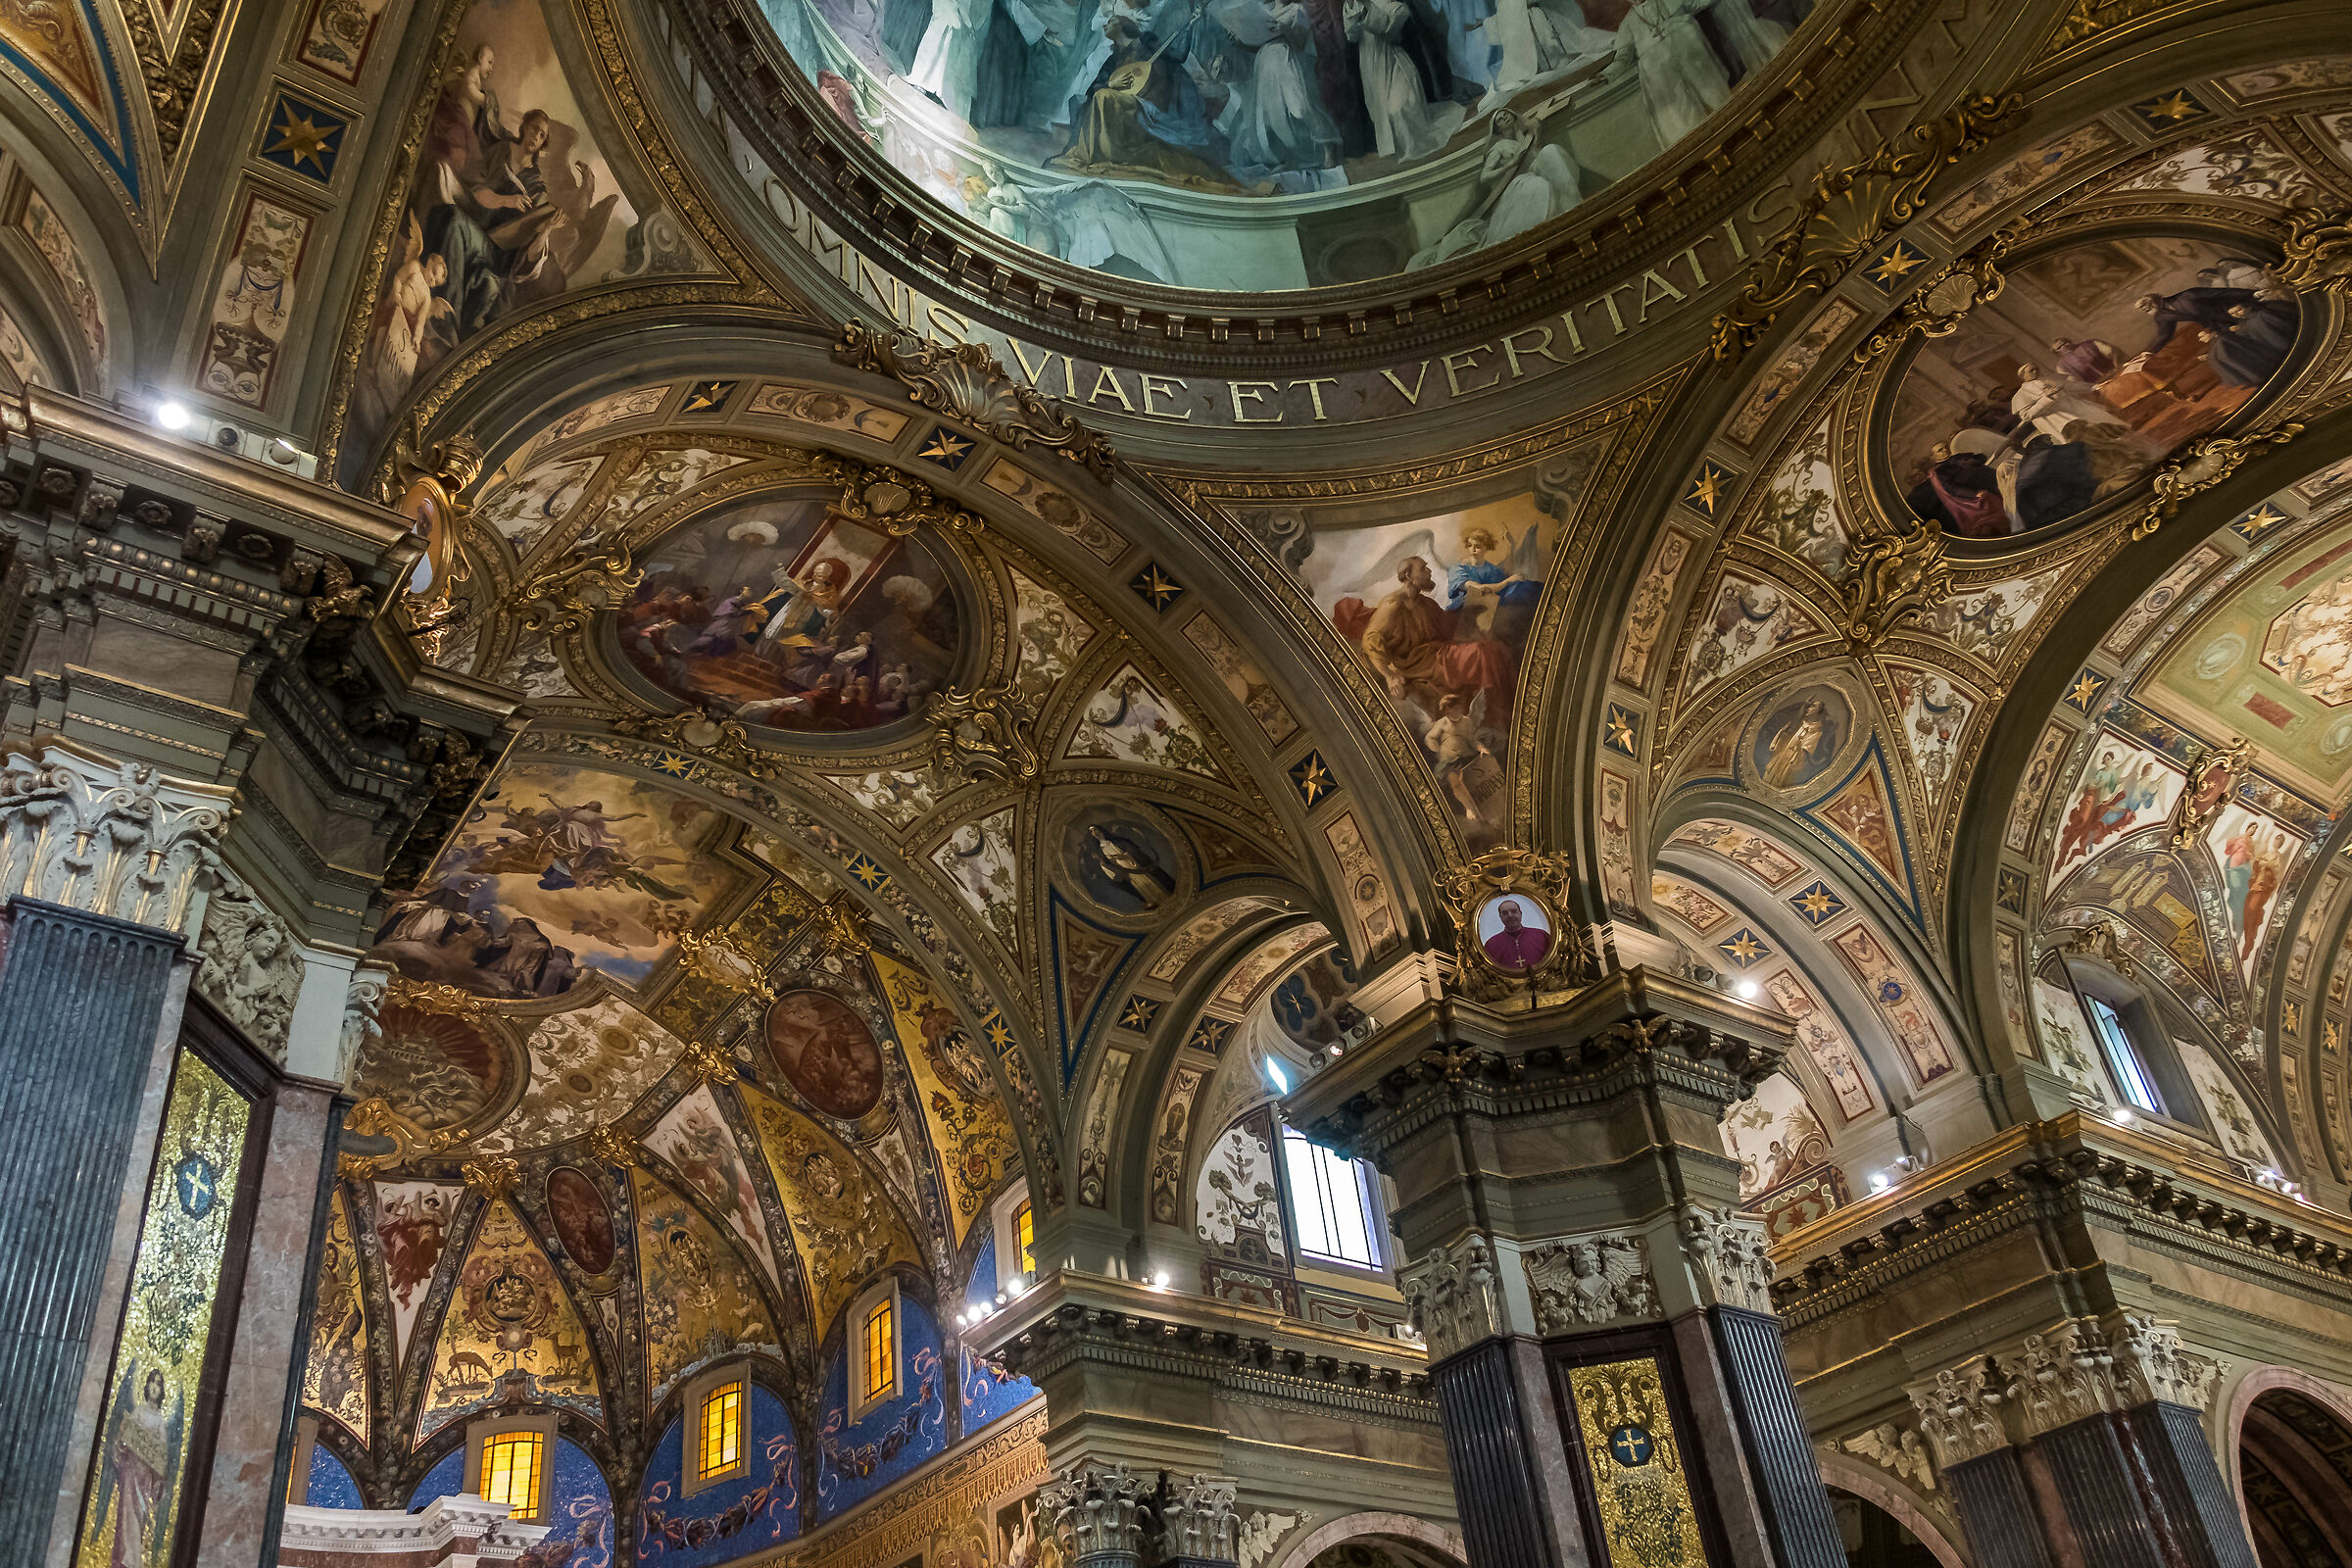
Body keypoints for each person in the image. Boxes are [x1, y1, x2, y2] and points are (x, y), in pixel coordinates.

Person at [1212, 0, 1343, 172]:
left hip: (1285, 59)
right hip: (1265, 62)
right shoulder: (1263, 11)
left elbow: (1300, 45)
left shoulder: (1299, 10)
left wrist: (1285, 29)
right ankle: (1288, 157)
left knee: (1300, 107)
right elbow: (1257, 43)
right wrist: (1239, 42)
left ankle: (1327, 146)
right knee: (1273, 115)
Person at [1612, 0, 1729, 148]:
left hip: (1690, 59)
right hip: (1663, 77)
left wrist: (1679, 22)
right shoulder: (1628, 22)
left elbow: (1697, 4)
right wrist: (1606, 75)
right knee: (1684, 121)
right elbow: (1623, 57)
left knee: (1714, 100)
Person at [1346, 0, 1437, 158]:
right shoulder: (1356, 5)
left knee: (1399, 108)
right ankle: (1398, 147)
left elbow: (1387, 31)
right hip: (1369, 65)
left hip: (1394, 63)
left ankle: (1411, 146)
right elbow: (1352, 36)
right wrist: (1351, 6)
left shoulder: (1398, 7)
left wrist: (1367, 5)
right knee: (1379, 111)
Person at [1483, 898, 1550, 969]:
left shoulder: (1541, 936)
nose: (1510, 915)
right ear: (1500, 917)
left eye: (1514, 911)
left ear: (1520, 913)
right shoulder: (1491, 944)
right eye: (1505, 913)